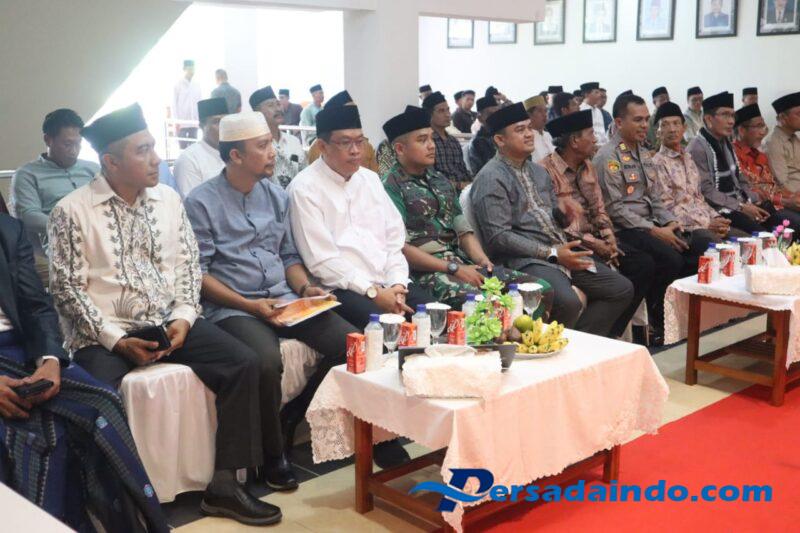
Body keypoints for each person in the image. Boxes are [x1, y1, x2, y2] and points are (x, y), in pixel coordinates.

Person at [48, 103, 281, 525]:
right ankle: (116, 504)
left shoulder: (168, 200)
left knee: (243, 362)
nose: (156, 159)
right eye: (143, 151)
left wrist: (185, 319)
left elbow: (190, 267)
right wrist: (117, 341)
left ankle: (225, 486)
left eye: (154, 147)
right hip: (105, 333)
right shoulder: (72, 211)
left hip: (169, 321)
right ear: (111, 162)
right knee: (97, 397)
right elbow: (67, 290)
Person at [184, 111, 360, 483]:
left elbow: (288, 256)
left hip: (284, 298)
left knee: (352, 344)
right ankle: (271, 454)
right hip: (234, 306)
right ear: (235, 155)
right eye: (262, 146)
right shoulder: (201, 202)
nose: (272, 152)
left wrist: (305, 289)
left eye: (270, 144)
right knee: (264, 360)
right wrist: (249, 305)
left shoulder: (276, 195)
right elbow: (200, 274)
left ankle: (293, 416)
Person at [0, 213, 169, 532]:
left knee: (103, 402)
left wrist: (50, 359)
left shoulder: (7, 230)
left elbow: (36, 305)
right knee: (35, 435)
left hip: (21, 347)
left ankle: (139, 525)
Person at [471, 103, 633, 336]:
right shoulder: (491, 178)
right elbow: (499, 237)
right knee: (567, 301)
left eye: (529, 127)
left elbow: (548, 219)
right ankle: (554, 347)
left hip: (558, 251)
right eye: (520, 130)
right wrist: (553, 253)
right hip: (525, 260)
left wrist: (563, 214)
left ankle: (580, 342)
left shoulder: (538, 172)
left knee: (621, 289)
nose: (529, 134)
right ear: (499, 140)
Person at [381, 105, 552, 311]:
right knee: (485, 304)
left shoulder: (440, 180)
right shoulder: (389, 187)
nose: (431, 146)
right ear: (400, 149)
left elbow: (463, 230)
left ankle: (527, 332)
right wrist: (454, 268)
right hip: (424, 272)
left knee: (539, 289)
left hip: (460, 262)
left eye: (432, 139)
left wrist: (483, 261)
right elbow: (401, 248)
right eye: (422, 140)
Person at [288, 102, 435, 330]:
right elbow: (322, 262)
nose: (356, 150)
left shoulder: (370, 179)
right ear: (322, 146)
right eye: (345, 143)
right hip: (343, 289)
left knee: (438, 317)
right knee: (389, 331)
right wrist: (372, 292)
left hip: (388, 283)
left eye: (360, 141)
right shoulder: (304, 189)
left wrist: (397, 284)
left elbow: (393, 242)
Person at [594, 93, 711, 343]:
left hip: (649, 224)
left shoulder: (643, 153)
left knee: (700, 245)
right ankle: (656, 320)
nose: (644, 125)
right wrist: (655, 230)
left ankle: (676, 316)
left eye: (646, 119)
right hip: (625, 229)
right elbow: (615, 209)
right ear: (619, 122)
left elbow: (654, 197)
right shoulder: (609, 157)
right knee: (668, 258)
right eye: (637, 120)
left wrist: (669, 221)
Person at [541, 110, 644, 338]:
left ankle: (613, 334)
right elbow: (560, 226)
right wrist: (597, 245)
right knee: (621, 286)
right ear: (574, 141)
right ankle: (588, 338)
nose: (596, 139)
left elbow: (599, 208)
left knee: (643, 264)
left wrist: (609, 239)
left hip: (595, 240)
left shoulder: (588, 166)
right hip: (570, 244)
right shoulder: (545, 171)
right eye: (590, 134)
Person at [10, 109, 98, 282]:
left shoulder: (93, 169)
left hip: (102, 235)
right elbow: (28, 216)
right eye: (67, 144)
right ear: (48, 140)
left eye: (78, 143)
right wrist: (72, 228)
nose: (74, 151)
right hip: (62, 243)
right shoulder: (27, 174)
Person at [688, 92, 768, 234]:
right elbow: (706, 191)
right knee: (762, 234)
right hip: (718, 209)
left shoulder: (726, 143)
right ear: (708, 119)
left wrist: (750, 199)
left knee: (778, 218)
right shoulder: (697, 148)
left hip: (738, 202)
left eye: (732, 115)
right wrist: (741, 206)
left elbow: (739, 179)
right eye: (725, 115)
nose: (731, 121)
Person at [651, 102, 732, 241]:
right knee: (724, 247)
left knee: (744, 238)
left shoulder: (688, 158)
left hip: (705, 223)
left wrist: (716, 218)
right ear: (658, 133)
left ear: (684, 128)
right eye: (665, 125)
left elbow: (699, 198)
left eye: (676, 123)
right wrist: (707, 223)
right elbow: (667, 208)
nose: (672, 129)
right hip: (686, 230)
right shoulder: (658, 163)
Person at [734, 103, 800, 223]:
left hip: (780, 204)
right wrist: (786, 201)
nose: (763, 132)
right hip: (759, 209)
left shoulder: (760, 155)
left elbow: (774, 186)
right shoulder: (734, 156)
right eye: (759, 126)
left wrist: (792, 197)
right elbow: (751, 190)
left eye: (763, 126)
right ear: (742, 130)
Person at [307, 90, 378, 172]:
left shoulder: (367, 146)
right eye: (345, 143)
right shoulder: (319, 147)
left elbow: (374, 172)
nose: (355, 151)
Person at [250, 85, 307, 188]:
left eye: (278, 104)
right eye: (271, 105)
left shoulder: (293, 141)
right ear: (257, 113)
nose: (278, 109)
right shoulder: (254, 146)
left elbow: (305, 174)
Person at [173, 97, 228, 198]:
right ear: (202, 126)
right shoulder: (189, 160)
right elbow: (192, 203)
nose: (223, 126)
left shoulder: (235, 153)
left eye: (226, 121)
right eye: (216, 122)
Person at [422, 91, 473, 190]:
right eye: (441, 111)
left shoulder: (453, 141)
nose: (448, 114)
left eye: (448, 110)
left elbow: (463, 170)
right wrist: (460, 185)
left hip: (465, 190)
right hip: (443, 192)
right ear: (430, 115)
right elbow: (430, 179)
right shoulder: (428, 143)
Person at [766, 92, 800, 193]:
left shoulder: (794, 138)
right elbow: (782, 184)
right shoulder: (772, 143)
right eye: (799, 114)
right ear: (782, 118)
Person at [467, 95, 501, 174]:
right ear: (480, 118)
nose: (495, 117)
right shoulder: (478, 142)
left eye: (497, 114)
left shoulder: (503, 135)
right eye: (490, 114)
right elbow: (486, 171)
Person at [172, 59, 202, 149]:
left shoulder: (197, 85)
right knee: (182, 148)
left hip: (194, 123)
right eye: (190, 69)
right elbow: (174, 104)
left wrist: (200, 120)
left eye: (193, 69)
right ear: (184, 69)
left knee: (193, 148)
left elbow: (200, 103)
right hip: (182, 123)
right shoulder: (177, 85)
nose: (192, 71)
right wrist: (176, 122)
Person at [524, 95, 555, 162]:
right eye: (540, 111)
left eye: (545, 111)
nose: (545, 114)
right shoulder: (526, 139)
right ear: (529, 115)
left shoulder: (548, 135)